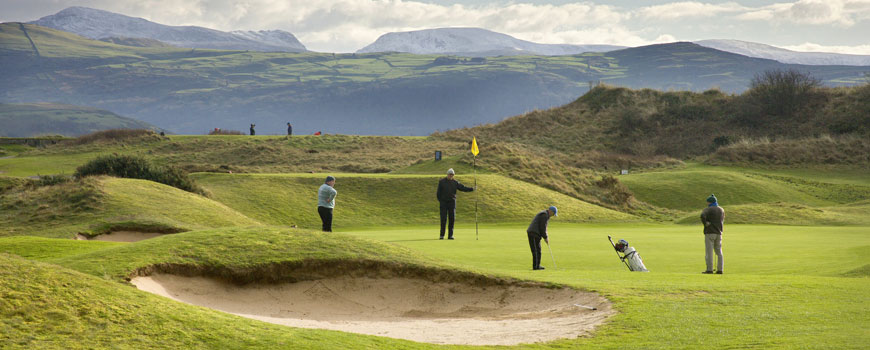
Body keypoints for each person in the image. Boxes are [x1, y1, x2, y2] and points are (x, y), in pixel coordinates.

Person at [435, 168, 474, 240]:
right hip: (443, 203)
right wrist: (441, 201)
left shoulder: (455, 182)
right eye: (450, 174)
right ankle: (442, 235)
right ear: (447, 174)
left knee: (452, 219)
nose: (451, 176)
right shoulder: (441, 182)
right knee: (443, 219)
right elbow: (438, 193)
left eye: (452, 175)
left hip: (452, 203)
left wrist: (472, 189)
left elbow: (463, 188)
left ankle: (450, 235)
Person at [701, 194, 725, 274]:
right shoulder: (721, 209)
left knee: (709, 251)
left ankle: (709, 269)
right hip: (719, 232)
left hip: (710, 232)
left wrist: (706, 223)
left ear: (709, 202)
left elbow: (702, 215)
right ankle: (720, 269)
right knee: (719, 252)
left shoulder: (708, 209)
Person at [527, 206, 557, 270]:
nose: (553, 215)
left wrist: (546, 236)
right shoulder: (544, 215)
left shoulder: (545, 215)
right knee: (535, 250)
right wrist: (545, 237)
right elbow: (542, 227)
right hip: (533, 233)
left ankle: (537, 265)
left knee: (538, 250)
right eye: (553, 213)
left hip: (536, 233)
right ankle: (535, 266)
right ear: (550, 211)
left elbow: (545, 227)